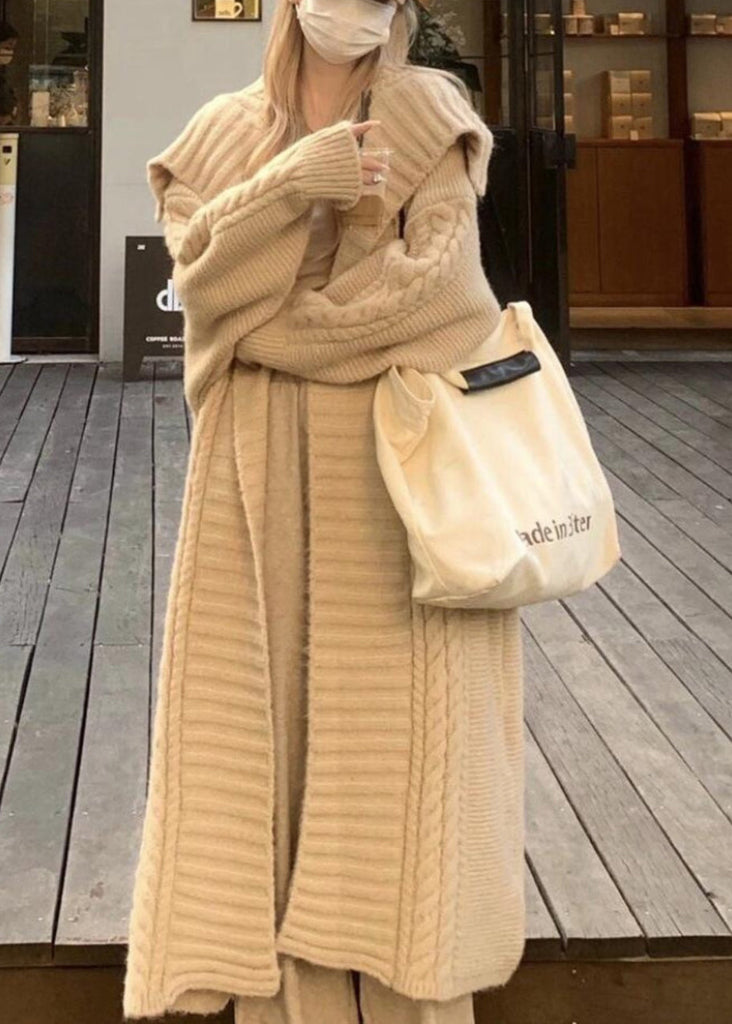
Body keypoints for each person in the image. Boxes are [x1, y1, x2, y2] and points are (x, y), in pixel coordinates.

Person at [123, 2, 526, 1023]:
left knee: (398, 768)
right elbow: (199, 282)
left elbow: (442, 299)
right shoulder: (219, 134)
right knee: (261, 747)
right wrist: (295, 184)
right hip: (250, 476)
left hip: (397, 478)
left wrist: (264, 328)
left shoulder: (429, 113)